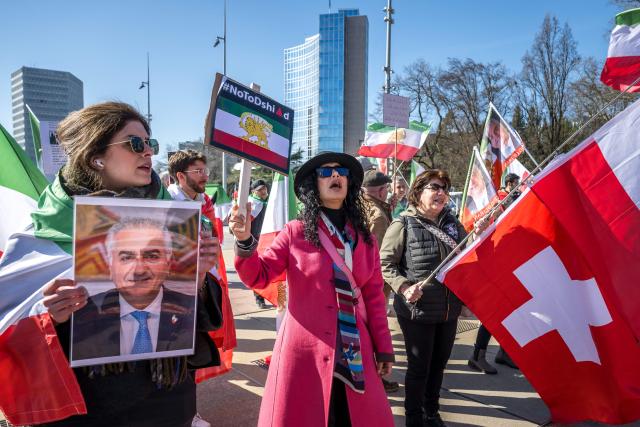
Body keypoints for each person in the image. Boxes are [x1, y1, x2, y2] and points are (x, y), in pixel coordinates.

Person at [5, 102, 222, 426]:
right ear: (97, 155)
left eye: (151, 144)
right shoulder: (41, 236)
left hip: (168, 391)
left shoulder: (175, 220)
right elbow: (12, 324)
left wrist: (201, 275)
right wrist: (51, 315)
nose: (148, 152)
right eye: (135, 144)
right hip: (90, 403)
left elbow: (193, 316)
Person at [229, 152, 395, 427]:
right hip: (305, 352)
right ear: (313, 185)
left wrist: (384, 348)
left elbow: (374, 297)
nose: (336, 176)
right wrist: (245, 240)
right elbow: (259, 276)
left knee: (351, 417)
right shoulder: (295, 232)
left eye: (341, 171)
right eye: (326, 172)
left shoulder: (364, 238)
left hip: (356, 349)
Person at [380, 169, 466, 427]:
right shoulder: (403, 223)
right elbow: (385, 263)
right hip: (417, 311)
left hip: (448, 310)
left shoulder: (453, 223)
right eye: (434, 187)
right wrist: (404, 286)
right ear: (418, 193)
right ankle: (414, 418)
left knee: (439, 366)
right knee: (420, 368)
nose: (441, 193)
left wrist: (480, 232)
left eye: (444, 188)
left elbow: (468, 252)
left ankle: (432, 412)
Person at [72, 218, 195, 361]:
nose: (139, 270)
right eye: (126, 257)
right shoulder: (82, 313)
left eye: (152, 256)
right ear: (110, 266)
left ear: (168, 264)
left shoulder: (193, 310)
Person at [361, 170, 399, 394]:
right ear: (382, 190)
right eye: (387, 189)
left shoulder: (362, 205)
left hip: (364, 284)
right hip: (374, 284)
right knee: (373, 333)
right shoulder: (377, 214)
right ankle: (376, 377)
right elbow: (377, 254)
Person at [248, 178, 270, 309]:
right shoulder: (251, 205)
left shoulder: (268, 203)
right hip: (255, 242)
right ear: (253, 192)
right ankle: (259, 298)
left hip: (268, 240)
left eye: (264, 189)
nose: (263, 191)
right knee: (257, 271)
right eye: (260, 190)